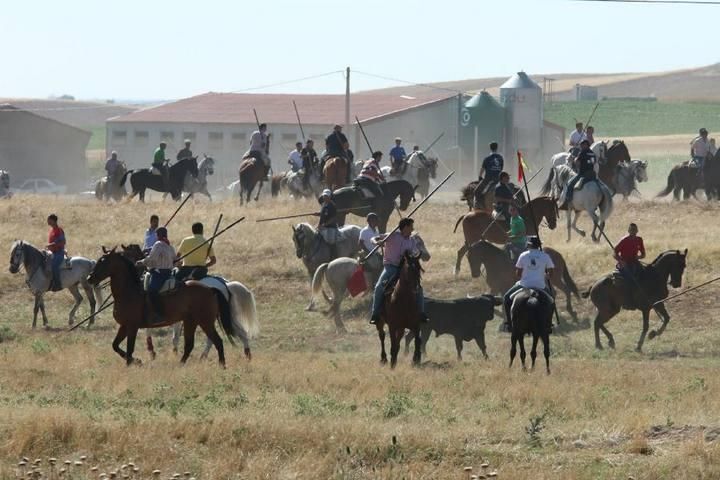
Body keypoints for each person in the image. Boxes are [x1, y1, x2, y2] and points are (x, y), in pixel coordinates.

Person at [369, 218, 426, 325]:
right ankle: (375, 314)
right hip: (391, 267)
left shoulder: (412, 240)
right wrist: (378, 242)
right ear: (405, 227)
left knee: (419, 288)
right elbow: (373, 238)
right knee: (379, 287)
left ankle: (421, 313)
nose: (412, 229)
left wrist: (414, 255)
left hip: (405, 269)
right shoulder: (392, 235)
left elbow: (414, 253)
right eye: (411, 227)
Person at [502, 236, 555, 333]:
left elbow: (518, 274)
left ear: (528, 245)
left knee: (506, 298)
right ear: (539, 245)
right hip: (540, 286)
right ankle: (548, 324)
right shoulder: (545, 256)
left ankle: (509, 324)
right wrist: (545, 276)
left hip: (524, 285)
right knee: (551, 301)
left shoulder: (523, 255)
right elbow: (551, 272)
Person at [138, 227, 176, 324]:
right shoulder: (170, 247)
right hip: (168, 273)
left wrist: (141, 262)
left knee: (151, 291)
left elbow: (152, 259)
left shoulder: (158, 244)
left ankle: (159, 314)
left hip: (160, 274)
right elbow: (175, 261)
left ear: (157, 235)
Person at [560, 139, 596, 209]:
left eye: (582, 145)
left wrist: (573, 159)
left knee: (570, 184)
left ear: (586, 145)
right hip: (592, 175)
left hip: (583, 174)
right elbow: (593, 162)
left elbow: (577, 163)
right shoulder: (592, 153)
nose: (581, 147)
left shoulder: (582, 153)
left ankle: (567, 202)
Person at [474, 142, 504, 207]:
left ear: (490, 148)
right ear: (497, 148)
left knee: (476, 191)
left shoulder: (487, 158)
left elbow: (482, 169)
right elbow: (501, 169)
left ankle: (479, 205)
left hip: (489, 179)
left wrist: (480, 177)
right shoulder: (500, 158)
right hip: (499, 179)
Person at [317, 189, 340, 258]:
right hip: (323, 226)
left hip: (331, 227)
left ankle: (334, 256)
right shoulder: (324, 204)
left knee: (331, 242)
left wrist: (324, 225)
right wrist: (318, 214)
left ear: (330, 197)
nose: (325, 197)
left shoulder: (332, 205)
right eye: (324, 196)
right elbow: (323, 214)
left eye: (326, 196)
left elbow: (333, 218)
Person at [46, 214, 66, 292]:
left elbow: (63, 242)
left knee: (54, 266)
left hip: (59, 253)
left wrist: (52, 245)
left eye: (49, 220)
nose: (48, 222)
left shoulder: (59, 230)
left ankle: (58, 284)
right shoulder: (52, 231)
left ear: (53, 221)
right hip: (51, 252)